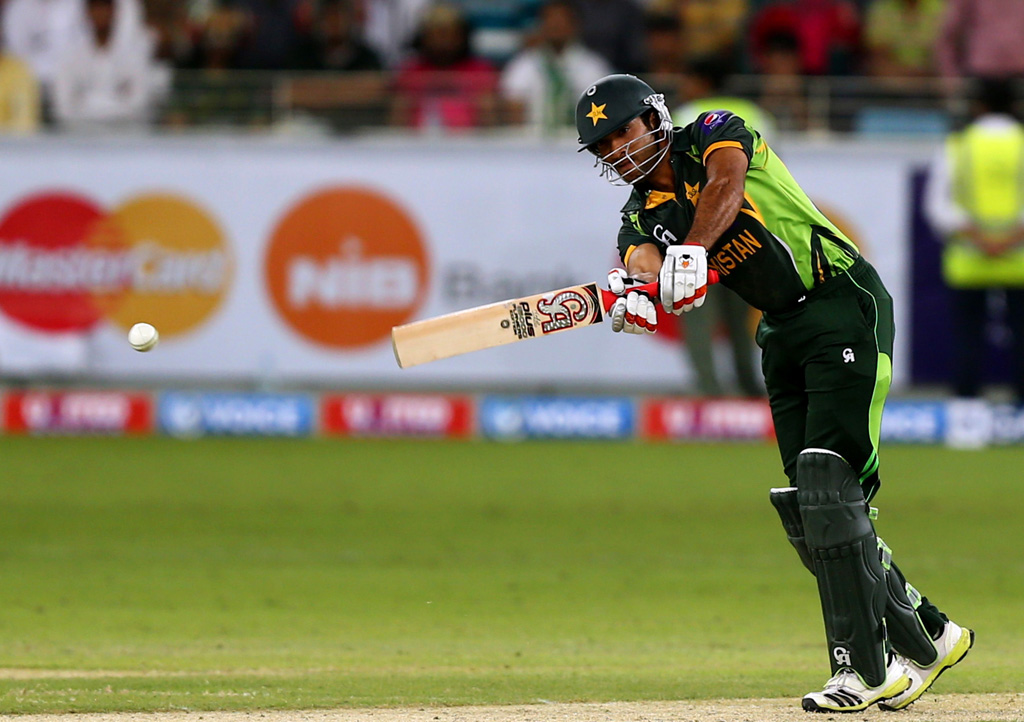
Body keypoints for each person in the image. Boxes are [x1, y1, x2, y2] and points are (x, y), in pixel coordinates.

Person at [574, 73, 973, 712]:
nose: (618, 150)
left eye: (624, 131)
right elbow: (643, 258)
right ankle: (925, 633)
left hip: (842, 302)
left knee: (827, 480)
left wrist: (695, 252)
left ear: (655, 118)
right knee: (811, 510)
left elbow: (727, 185)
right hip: (782, 334)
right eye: (602, 146)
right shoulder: (638, 212)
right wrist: (630, 287)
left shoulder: (712, 134)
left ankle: (865, 670)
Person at [670, 55, 771, 397]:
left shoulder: (685, 116)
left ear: (700, 83)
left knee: (697, 314)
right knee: (740, 315)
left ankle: (708, 390)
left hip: (699, 229)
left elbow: (673, 179)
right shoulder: (755, 116)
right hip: (743, 230)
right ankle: (749, 386)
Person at [924, 77, 1024, 401]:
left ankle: (966, 416)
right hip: (1019, 258)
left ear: (978, 106)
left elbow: (938, 206)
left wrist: (979, 238)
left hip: (969, 258)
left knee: (967, 340)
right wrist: (1010, 239)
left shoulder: (959, 145)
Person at [499, 0, 610, 134]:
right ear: (541, 24)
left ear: (576, 24)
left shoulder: (593, 67)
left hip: (578, 141)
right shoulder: (524, 64)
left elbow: (604, 115)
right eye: (551, 20)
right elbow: (511, 109)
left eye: (562, 20)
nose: (556, 25)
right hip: (530, 141)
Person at [51, 0, 165, 131]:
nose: (100, 14)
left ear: (115, 12)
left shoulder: (135, 56)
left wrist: (87, 103)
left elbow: (139, 105)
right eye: (95, 8)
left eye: (105, 8)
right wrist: (115, 102)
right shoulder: (70, 57)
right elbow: (63, 108)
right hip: (80, 140)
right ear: (86, 13)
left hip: (127, 141)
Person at [391, 3, 499, 131]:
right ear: (424, 37)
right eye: (437, 34)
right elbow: (397, 121)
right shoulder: (410, 72)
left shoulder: (480, 70)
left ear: (462, 36)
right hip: (417, 144)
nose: (443, 41)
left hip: (471, 143)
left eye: (448, 34)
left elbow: (490, 121)